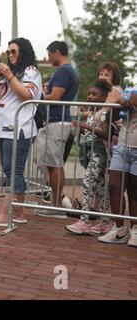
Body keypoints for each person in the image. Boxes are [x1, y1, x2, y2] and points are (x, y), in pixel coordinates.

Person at [0, 38, 42, 227]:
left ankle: (4, 215)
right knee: (12, 170)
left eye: (13, 51)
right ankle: (18, 212)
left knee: (13, 171)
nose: (10, 55)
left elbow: (27, 95)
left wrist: (9, 76)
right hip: (5, 126)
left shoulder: (31, 71)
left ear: (23, 52)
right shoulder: (12, 73)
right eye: (8, 52)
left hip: (19, 128)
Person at [34, 41, 79, 218]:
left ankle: (56, 206)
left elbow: (55, 97)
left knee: (54, 164)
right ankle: (56, 203)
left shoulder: (63, 71)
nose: (49, 57)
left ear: (57, 52)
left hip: (57, 122)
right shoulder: (69, 71)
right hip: (58, 122)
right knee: (53, 163)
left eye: (50, 54)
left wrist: (40, 95)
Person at [65, 80, 115, 235]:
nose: (89, 97)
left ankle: (85, 220)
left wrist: (86, 126)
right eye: (89, 94)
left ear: (103, 97)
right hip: (91, 153)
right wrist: (81, 129)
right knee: (100, 188)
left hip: (99, 155)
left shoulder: (105, 112)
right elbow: (91, 133)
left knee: (87, 183)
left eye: (94, 94)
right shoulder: (93, 113)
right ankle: (106, 223)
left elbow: (106, 134)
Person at [98, 87, 137, 246]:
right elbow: (111, 118)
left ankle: (135, 230)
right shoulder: (129, 91)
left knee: (135, 192)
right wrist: (119, 103)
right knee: (114, 187)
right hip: (122, 147)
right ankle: (119, 230)